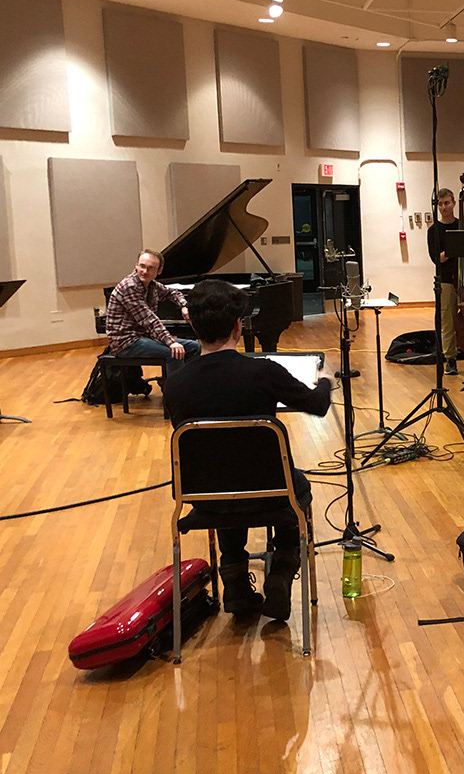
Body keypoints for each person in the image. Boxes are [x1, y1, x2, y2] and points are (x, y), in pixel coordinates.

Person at [163, 279, 332, 620]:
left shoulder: (175, 384)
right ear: (238, 326)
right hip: (271, 494)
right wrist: (326, 379)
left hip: (206, 498)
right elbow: (317, 405)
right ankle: (282, 568)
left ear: (193, 327)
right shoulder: (263, 371)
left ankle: (236, 584)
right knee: (295, 485)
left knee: (225, 474)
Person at [105, 249, 201, 373]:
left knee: (195, 347)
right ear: (136, 265)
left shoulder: (152, 285)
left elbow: (173, 292)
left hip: (144, 337)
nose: (145, 271)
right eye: (142, 266)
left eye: (151, 268)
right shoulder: (129, 287)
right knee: (174, 353)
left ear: (159, 271)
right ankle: (176, 386)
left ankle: (189, 382)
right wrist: (171, 343)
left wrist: (184, 305)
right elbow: (149, 320)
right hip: (126, 342)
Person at [427, 188, 464, 375]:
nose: (443, 207)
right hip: (445, 281)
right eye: (440, 204)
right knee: (447, 321)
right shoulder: (434, 231)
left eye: (447, 203)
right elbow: (437, 258)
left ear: (453, 204)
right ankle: (451, 359)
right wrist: (455, 246)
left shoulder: (463, 226)